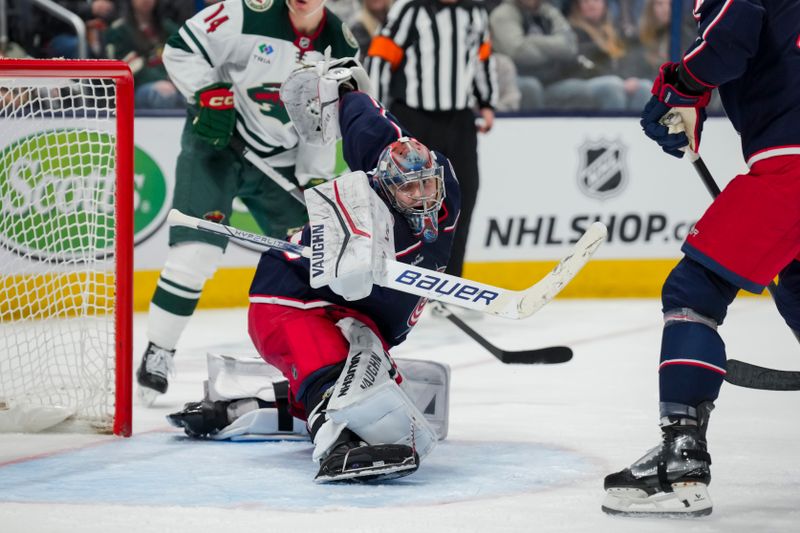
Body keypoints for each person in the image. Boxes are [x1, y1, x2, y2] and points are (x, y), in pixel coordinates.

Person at [173, 66, 461, 481]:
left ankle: (251, 407)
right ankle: (334, 448)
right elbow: (343, 279)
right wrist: (349, 259)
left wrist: (345, 93)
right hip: (288, 302)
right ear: (386, 186)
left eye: (426, 186)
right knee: (338, 375)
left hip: (357, 316)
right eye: (407, 189)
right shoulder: (363, 206)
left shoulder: (439, 177)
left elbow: (371, 126)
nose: (420, 196)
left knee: (374, 390)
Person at [603, 0, 800, 517]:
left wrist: (681, 84)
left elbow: (731, 34)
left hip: (791, 168)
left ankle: (680, 459)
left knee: (694, 293)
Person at [135, 0, 359, 404]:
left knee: (313, 259)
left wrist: (313, 185)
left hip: (280, 161)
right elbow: (180, 49)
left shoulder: (340, 47)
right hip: (216, 147)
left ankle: (328, 360)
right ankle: (159, 350)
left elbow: (324, 129)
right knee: (196, 254)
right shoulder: (243, 14)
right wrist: (206, 94)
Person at [365, 0, 496, 280]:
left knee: (463, 196)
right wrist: (376, 110)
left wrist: (486, 102)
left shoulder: (476, 12)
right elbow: (379, 58)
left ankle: (450, 279)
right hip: (414, 118)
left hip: (460, 120)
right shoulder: (409, 8)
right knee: (409, 199)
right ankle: (409, 277)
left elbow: (482, 58)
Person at [105, 0, 185, 109]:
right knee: (162, 94)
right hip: (136, 88)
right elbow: (129, 68)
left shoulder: (166, 26)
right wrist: (163, 79)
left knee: (194, 95)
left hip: (172, 83)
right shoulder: (119, 29)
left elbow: (185, 54)